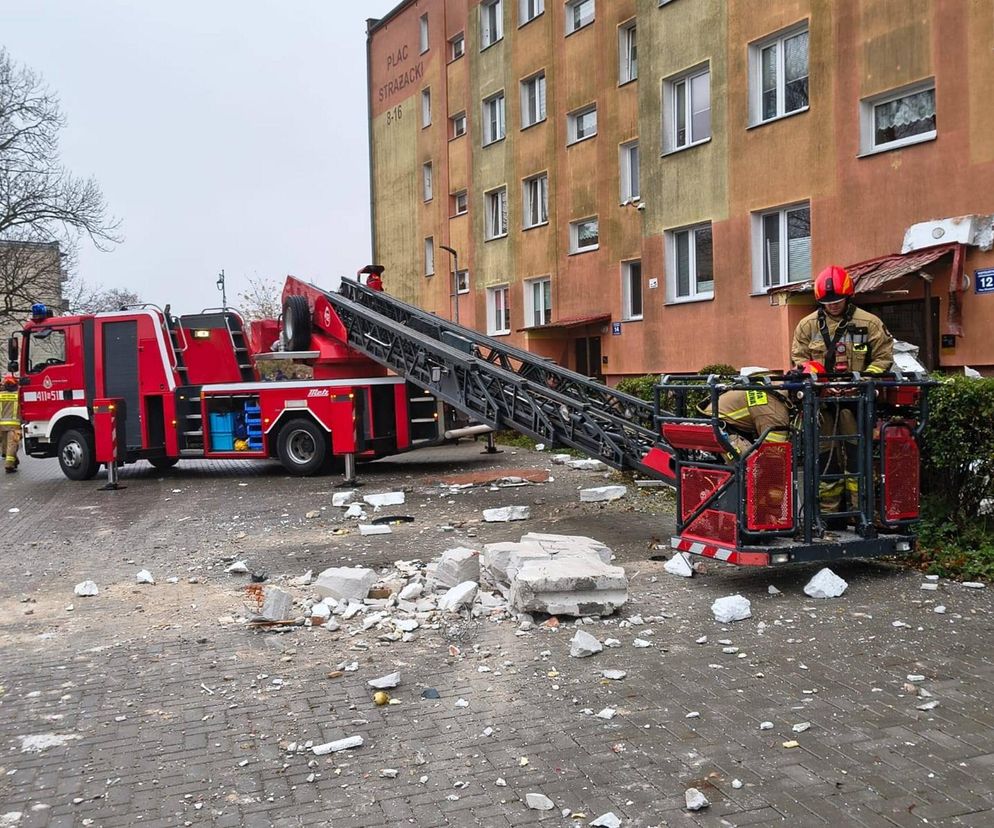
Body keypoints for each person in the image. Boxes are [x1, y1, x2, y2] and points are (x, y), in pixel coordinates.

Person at [790, 264, 894, 513]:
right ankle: (829, 516)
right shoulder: (807, 326)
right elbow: (800, 360)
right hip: (822, 404)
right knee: (827, 459)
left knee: (857, 457)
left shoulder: (869, 323)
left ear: (849, 296)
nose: (833, 305)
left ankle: (861, 514)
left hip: (857, 403)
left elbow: (883, 358)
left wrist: (865, 381)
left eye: (838, 300)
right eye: (828, 301)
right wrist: (816, 380)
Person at [699, 367, 792, 457]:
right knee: (752, 468)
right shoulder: (774, 410)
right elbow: (773, 451)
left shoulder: (771, 383)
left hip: (712, 420)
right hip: (721, 428)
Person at [0, 373, 21, 473]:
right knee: (12, 444)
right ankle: (9, 465)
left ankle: (14, 461)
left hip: (1, 425)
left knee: (6, 446)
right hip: (14, 425)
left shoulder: (0, 395)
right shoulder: (18, 395)